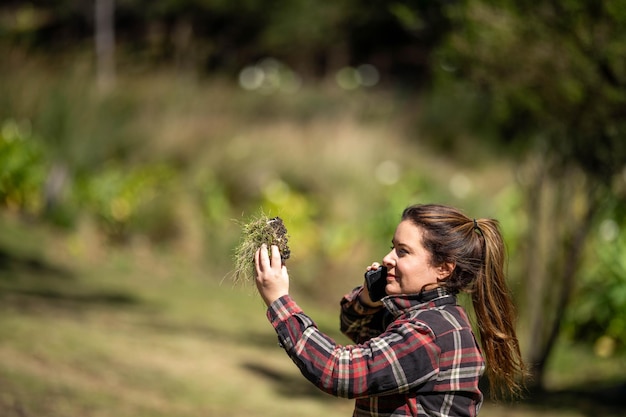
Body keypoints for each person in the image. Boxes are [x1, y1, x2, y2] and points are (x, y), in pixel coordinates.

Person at [254, 203, 526, 416]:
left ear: (443, 268)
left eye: (403, 252)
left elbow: (341, 372)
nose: (387, 258)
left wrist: (280, 302)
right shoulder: (428, 317)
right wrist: (371, 297)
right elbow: (354, 327)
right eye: (392, 248)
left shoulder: (427, 333)